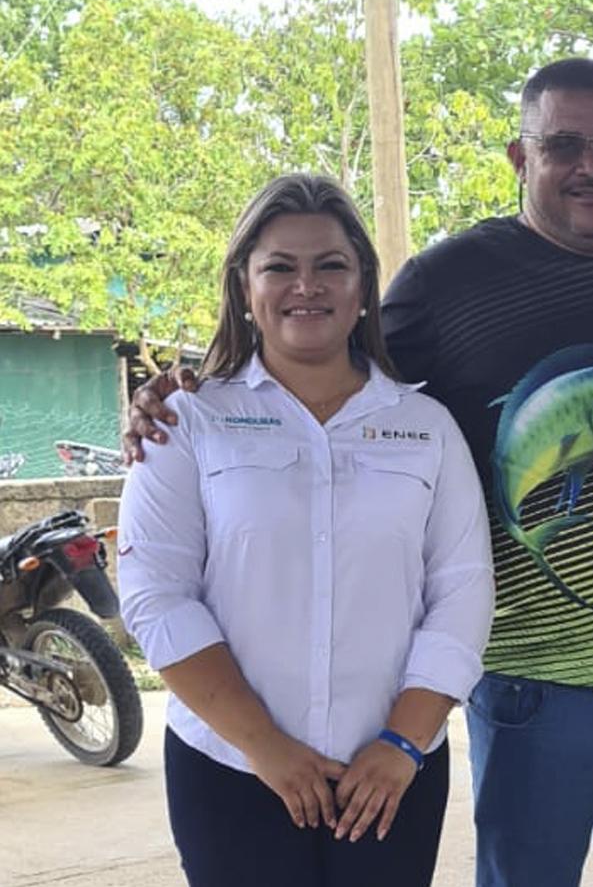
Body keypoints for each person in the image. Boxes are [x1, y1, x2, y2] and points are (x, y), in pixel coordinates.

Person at [123, 59, 593, 887]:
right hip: (533, 687)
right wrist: (177, 385)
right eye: (565, 144)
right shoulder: (447, 281)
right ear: (519, 156)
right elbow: (314, 343)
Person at [117, 174, 494, 887]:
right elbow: (155, 596)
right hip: (230, 768)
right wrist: (266, 749)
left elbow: (463, 594)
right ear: (244, 286)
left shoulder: (427, 429)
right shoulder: (186, 422)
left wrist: (401, 745)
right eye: (280, 267)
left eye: (330, 266)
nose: (306, 287)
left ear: (362, 287)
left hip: (388, 775)